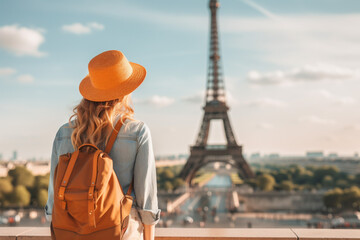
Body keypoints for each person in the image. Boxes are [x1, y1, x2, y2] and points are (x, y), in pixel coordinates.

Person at [45, 50, 161, 240]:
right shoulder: (137, 131)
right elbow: (147, 202)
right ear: (125, 91)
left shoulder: (63, 134)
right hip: (121, 231)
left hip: (72, 232)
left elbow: (53, 201)